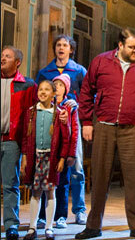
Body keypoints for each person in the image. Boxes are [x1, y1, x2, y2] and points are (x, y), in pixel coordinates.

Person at [77, 28, 135, 240]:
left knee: (134, 179)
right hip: (104, 126)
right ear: (120, 46)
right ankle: (93, 225)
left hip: (134, 127)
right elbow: (87, 91)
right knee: (99, 178)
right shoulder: (100, 62)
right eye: (132, 47)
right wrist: (87, 122)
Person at [36, 35, 87, 228]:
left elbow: (90, 95)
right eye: (58, 45)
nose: (61, 48)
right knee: (50, 168)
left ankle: (79, 210)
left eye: (65, 45)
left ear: (71, 49)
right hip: (50, 124)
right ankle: (46, 213)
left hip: (72, 123)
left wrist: (79, 107)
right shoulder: (45, 72)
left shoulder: (79, 71)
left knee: (76, 167)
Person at [19, 79, 70, 240]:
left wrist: (62, 158)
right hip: (35, 158)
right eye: (40, 89)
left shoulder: (58, 113)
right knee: (35, 192)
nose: (42, 92)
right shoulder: (31, 112)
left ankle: (49, 227)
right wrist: (25, 157)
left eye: (47, 89)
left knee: (50, 192)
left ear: (53, 94)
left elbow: (65, 138)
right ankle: (32, 227)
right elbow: (26, 138)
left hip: (51, 159)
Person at [1, 45, 37, 240]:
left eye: (7, 56)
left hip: (11, 140)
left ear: (17, 62)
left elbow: (32, 117)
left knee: (10, 185)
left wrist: (26, 150)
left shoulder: (28, 85)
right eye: (2, 55)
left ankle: (11, 225)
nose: (3, 58)